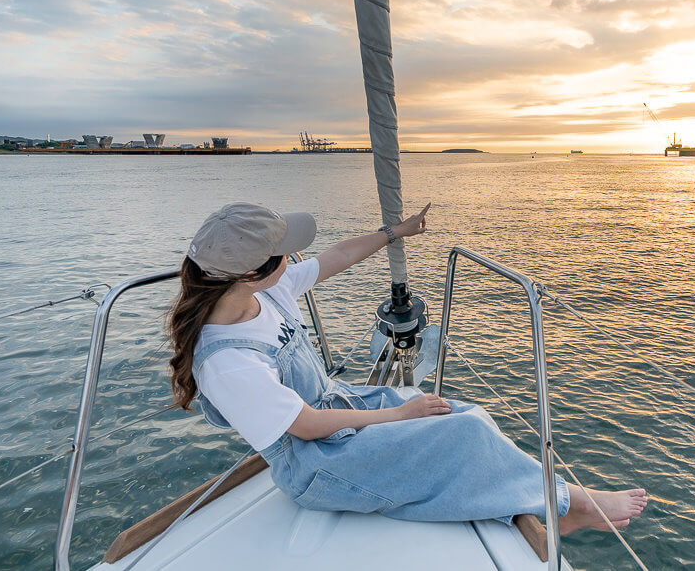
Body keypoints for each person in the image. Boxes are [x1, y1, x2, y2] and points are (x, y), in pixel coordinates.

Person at [166, 202, 646, 534]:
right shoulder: (228, 361)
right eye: (285, 252)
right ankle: (570, 503)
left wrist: (395, 232)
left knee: (465, 414)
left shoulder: (263, 290)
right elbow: (307, 427)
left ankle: (542, 503)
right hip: (315, 465)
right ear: (250, 271)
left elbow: (337, 257)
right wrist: (397, 415)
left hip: (339, 412)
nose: (295, 258)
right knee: (463, 436)